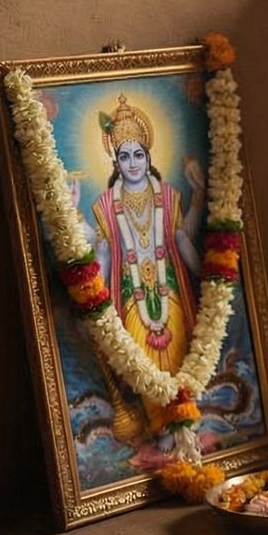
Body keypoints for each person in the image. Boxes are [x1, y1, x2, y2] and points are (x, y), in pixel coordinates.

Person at [90, 94, 205, 437]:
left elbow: (183, 239)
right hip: (131, 299)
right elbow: (104, 255)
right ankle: (160, 428)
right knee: (141, 362)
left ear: (148, 155)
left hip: (169, 296)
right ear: (115, 161)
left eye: (138, 154)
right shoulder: (105, 206)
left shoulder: (169, 197)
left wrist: (210, 278)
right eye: (124, 156)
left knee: (179, 358)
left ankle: (185, 426)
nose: (133, 162)